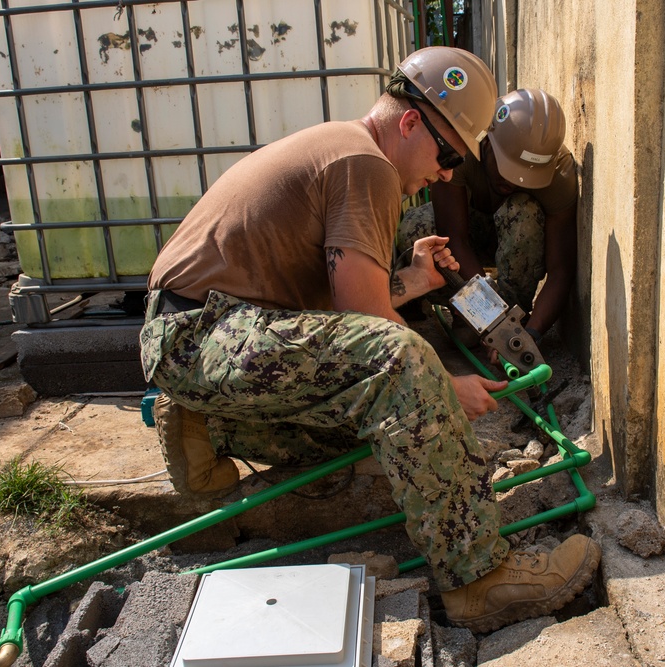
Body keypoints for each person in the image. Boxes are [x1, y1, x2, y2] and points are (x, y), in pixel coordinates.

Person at [140, 47, 600, 633]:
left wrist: (414, 279)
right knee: (405, 363)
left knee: (377, 424)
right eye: (448, 153)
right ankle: (481, 578)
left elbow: (338, 310)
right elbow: (371, 325)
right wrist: (443, 384)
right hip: (203, 332)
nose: (449, 173)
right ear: (410, 121)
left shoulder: (347, 150)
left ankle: (206, 426)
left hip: (199, 332)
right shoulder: (368, 164)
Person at [397, 87, 578, 343]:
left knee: (523, 209)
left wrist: (528, 335)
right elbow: (454, 240)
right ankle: (469, 313)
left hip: (518, 244)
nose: (513, 182)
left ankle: (512, 316)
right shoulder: (460, 145)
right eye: (507, 169)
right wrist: (489, 317)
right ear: (486, 142)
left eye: (525, 175)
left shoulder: (558, 173)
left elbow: (561, 269)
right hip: (467, 238)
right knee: (417, 229)